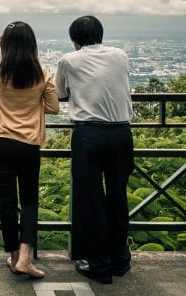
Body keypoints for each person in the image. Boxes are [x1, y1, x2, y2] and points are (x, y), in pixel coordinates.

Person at [53, 15, 134, 284]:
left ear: (74, 40)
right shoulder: (120, 55)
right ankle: (120, 259)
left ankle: (98, 264)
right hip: (122, 133)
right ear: (100, 34)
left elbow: (60, 94)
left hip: (89, 134)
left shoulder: (69, 60)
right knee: (118, 196)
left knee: (91, 200)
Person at [0, 21, 59, 279]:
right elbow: (54, 107)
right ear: (32, 44)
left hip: (1, 143)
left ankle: (13, 258)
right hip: (28, 145)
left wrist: (1, 38)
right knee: (30, 200)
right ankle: (26, 258)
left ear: (9, 44)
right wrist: (33, 105)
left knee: (7, 202)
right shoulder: (42, 73)